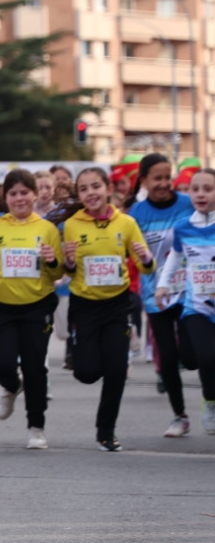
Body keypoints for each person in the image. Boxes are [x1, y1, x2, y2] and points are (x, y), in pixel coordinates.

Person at [0, 169, 64, 450]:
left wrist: (52, 260)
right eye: (13, 193)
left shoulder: (46, 229)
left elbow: (58, 271)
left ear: (34, 194)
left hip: (37, 306)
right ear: (5, 197)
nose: (19, 198)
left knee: (35, 368)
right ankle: (11, 385)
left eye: (25, 192)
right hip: (2, 307)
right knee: (1, 363)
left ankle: (36, 427)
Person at [63, 167, 155, 451]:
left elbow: (145, 266)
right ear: (79, 195)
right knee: (86, 372)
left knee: (116, 370)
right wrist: (68, 262)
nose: (91, 193)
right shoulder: (72, 225)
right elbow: (68, 270)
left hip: (117, 304)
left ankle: (106, 431)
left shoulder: (126, 223)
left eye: (95, 186)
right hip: (84, 305)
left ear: (107, 188)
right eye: (84, 189)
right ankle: (95, 354)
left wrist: (146, 257)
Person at [131, 153, 195, 437]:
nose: (164, 183)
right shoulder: (137, 214)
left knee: (192, 358)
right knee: (167, 359)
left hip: (190, 293)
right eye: (157, 178)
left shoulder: (187, 204)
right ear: (144, 181)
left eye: (167, 177)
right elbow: (132, 256)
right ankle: (180, 416)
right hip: (155, 296)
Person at [154, 168, 215, 432]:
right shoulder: (182, 227)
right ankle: (210, 401)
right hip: (196, 307)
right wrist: (163, 285)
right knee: (206, 358)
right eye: (195, 189)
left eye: (208, 189)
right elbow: (175, 257)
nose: (200, 194)